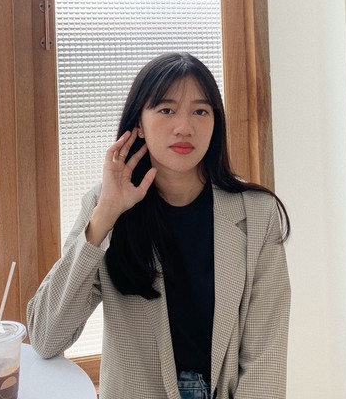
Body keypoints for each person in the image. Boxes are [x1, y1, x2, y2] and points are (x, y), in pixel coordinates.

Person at [27, 52, 291, 399]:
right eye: (167, 110)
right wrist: (105, 215)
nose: (185, 127)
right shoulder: (104, 207)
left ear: (216, 122)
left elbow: (265, 358)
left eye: (200, 111)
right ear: (139, 123)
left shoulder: (257, 213)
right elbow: (46, 337)